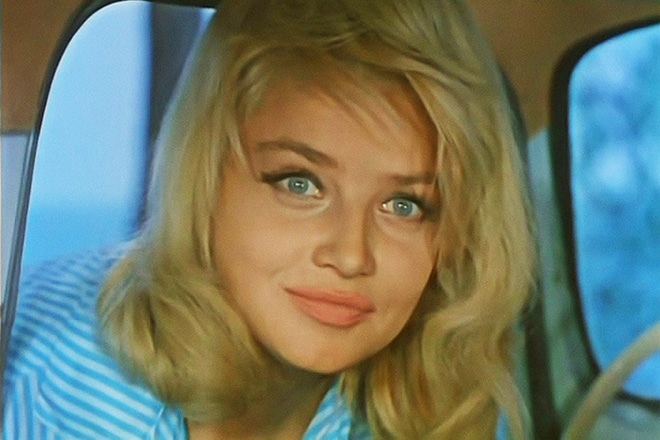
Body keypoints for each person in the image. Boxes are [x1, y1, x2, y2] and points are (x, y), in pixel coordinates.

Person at [3, 0, 535, 438]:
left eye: (404, 205)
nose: (351, 255)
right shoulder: (47, 372)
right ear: (207, 179)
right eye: (300, 183)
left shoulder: (431, 404)